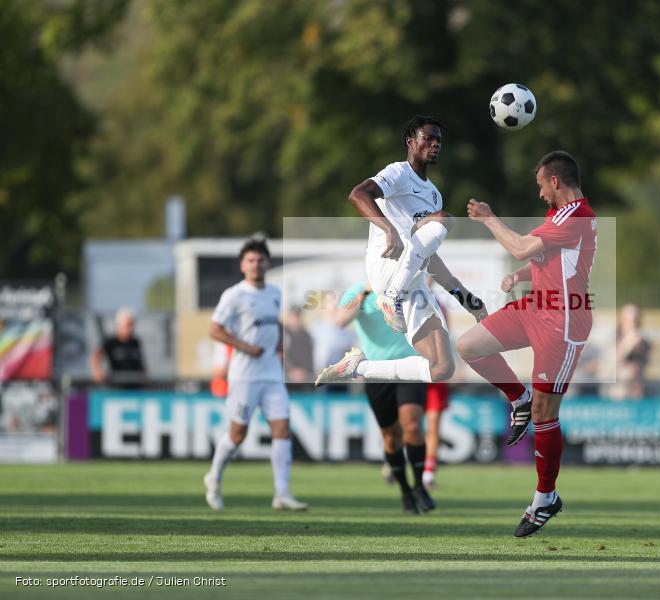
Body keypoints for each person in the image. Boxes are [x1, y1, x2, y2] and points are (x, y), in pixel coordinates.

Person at [457, 150, 597, 538]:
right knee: (468, 346)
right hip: (536, 307)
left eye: (540, 186)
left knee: (545, 411)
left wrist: (489, 219)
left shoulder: (577, 216)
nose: (539, 194)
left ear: (556, 182)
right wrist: (522, 274)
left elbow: (521, 246)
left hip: (563, 322)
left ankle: (545, 497)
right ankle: (516, 398)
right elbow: (554, 259)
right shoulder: (562, 217)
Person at [315, 116, 487, 388]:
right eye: (428, 138)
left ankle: (358, 367)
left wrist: (465, 297)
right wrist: (387, 229)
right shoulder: (398, 172)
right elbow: (357, 194)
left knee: (443, 367)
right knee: (444, 220)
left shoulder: (433, 195)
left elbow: (428, 256)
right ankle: (392, 296)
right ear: (410, 142)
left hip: (411, 281)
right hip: (386, 268)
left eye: (438, 140)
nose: (434, 144)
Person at [203, 238, 307, 512]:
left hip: (272, 373)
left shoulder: (274, 292)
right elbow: (215, 330)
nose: (256, 264)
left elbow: (274, 325)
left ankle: (282, 493)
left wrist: (281, 344)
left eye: (260, 259)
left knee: (282, 429)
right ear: (242, 265)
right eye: (250, 260)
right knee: (238, 435)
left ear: (267, 263)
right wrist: (245, 346)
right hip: (244, 376)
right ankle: (214, 477)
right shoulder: (234, 295)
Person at [333, 281, 435, 513]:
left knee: (413, 426)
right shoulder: (357, 291)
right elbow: (339, 321)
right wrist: (364, 293)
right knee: (390, 437)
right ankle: (405, 492)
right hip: (376, 371)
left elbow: (426, 297)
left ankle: (419, 486)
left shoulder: (405, 286)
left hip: (410, 367)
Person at [91, 307, 145, 388]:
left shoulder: (135, 342)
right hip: (118, 389)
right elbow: (96, 356)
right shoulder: (111, 342)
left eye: (131, 325)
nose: (130, 329)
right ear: (119, 325)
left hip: (136, 389)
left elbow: (141, 364)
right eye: (128, 325)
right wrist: (97, 370)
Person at [610, 304, 651, 400]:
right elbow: (615, 360)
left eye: (634, 320)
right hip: (618, 384)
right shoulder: (615, 338)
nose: (631, 323)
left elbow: (643, 362)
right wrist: (629, 342)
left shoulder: (643, 340)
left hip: (637, 383)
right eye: (627, 320)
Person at [283, 305, 314, 384]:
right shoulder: (282, 334)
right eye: (293, 316)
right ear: (289, 316)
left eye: (297, 316)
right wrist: (292, 371)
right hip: (286, 375)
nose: (295, 319)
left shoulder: (307, 336)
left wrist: (303, 372)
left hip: (305, 376)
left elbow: (309, 358)